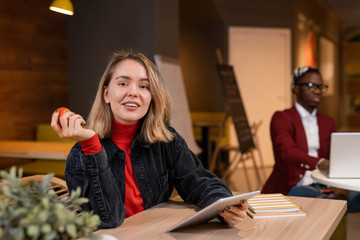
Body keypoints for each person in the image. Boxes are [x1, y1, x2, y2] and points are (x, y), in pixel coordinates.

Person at [50, 49, 248, 229]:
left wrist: (224, 205)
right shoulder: (81, 153)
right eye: (123, 83)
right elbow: (107, 219)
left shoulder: (167, 141)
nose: (134, 92)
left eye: (144, 86)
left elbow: (199, 181)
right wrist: (91, 144)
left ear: (152, 96)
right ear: (106, 94)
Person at [262, 66, 360, 213]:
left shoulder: (328, 122)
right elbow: (287, 152)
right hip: (295, 186)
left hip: (324, 184)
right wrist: (320, 163)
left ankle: (336, 202)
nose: (317, 90)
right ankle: (335, 203)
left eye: (321, 86)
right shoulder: (282, 118)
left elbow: (336, 155)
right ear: (295, 88)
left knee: (351, 198)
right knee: (327, 204)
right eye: (310, 85)